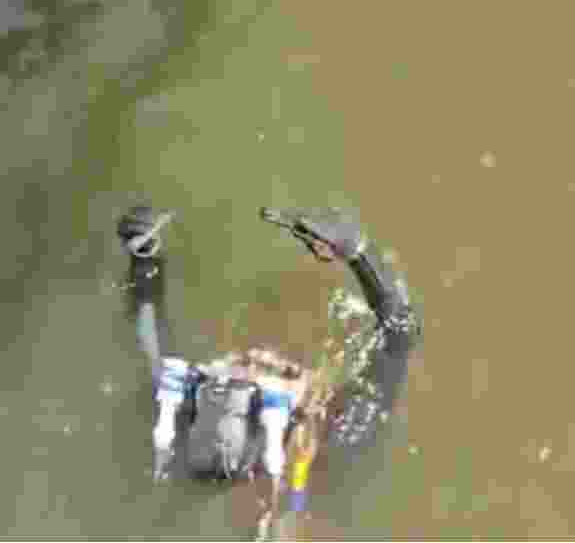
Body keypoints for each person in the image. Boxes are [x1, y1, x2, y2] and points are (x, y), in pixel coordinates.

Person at [119, 204, 420, 529]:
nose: (258, 366)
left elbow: (399, 335)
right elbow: (399, 338)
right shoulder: (184, 417)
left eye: (284, 371)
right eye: (246, 361)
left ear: (317, 402)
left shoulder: (335, 449)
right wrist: (145, 255)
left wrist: (359, 253)